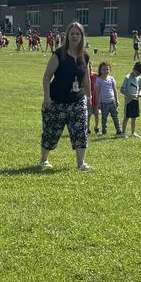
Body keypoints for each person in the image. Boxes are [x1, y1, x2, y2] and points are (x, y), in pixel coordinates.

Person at [40, 20, 92, 172]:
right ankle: (44, 159)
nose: (75, 36)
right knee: (51, 132)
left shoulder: (85, 56)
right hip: (57, 100)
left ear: (82, 36)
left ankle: (81, 163)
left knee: (80, 130)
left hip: (78, 99)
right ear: (67, 35)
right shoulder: (59, 54)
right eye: (72, 33)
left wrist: (89, 97)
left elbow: (86, 79)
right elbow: (46, 77)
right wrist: (47, 97)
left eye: (78, 34)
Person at [120, 60, 141, 138]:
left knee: (134, 117)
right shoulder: (127, 78)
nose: (137, 75)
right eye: (137, 73)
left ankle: (133, 132)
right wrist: (130, 95)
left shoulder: (139, 78)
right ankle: (123, 133)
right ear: (133, 69)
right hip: (128, 101)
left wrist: (140, 93)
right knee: (126, 117)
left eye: (139, 74)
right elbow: (122, 90)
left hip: (136, 101)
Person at [96, 61, 119, 134]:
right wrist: (98, 102)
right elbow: (97, 93)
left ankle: (119, 130)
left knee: (115, 117)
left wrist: (116, 100)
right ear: (100, 70)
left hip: (112, 102)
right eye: (103, 69)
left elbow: (115, 90)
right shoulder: (99, 80)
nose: (105, 71)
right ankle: (104, 131)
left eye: (107, 69)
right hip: (104, 103)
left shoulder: (111, 79)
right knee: (104, 118)